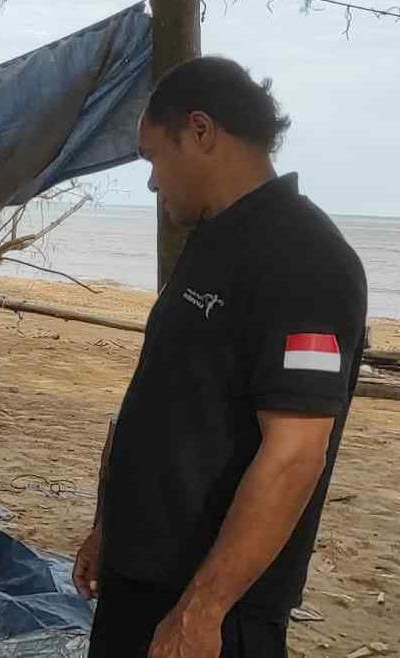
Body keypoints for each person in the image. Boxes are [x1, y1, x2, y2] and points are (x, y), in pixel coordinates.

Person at [73, 57, 367, 658]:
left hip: (210, 605)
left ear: (201, 132)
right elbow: (161, 398)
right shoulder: (211, 240)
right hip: (141, 578)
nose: (152, 182)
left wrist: (202, 609)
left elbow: (294, 454)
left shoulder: (306, 258)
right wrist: (110, 528)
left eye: (154, 157)